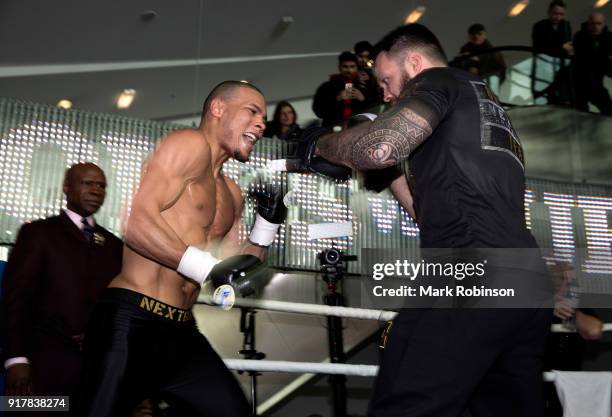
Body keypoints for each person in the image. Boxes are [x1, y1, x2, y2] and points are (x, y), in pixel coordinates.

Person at [295, 24, 552, 417]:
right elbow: (423, 210)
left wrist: (321, 145)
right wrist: (390, 170)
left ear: (414, 64)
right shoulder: (484, 105)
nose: (385, 93)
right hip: (525, 282)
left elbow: (379, 147)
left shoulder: (437, 81)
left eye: (387, 80)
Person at [75, 80, 287, 417]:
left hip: (182, 333)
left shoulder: (231, 192)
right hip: (132, 322)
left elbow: (231, 276)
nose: (262, 123)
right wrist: (208, 269)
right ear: (218, 108)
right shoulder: (188, 144)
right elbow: (137, 223)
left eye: (264, 116)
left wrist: (268, 223)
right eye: (252, 111)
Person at [0, 163, 123, 401]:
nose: (96, 191)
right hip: (38, 365)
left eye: (101, 186)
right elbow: (15, 301)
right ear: (67, 187)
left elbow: (116, 306)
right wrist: (15, 358)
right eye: (88, 183)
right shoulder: (37, 233)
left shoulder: (113, 245)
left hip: (92, 369)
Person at [312, 51, 377, 128]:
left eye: (352, 66)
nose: (348, 70)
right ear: (339, 67)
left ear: (357, 68)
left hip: (360, 128)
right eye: (345, 66)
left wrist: (363, 99)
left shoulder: (367, 86)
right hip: (333, 129)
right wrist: (337, 98)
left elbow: (376, 110)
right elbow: (318, 111)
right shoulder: (327, 87)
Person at [572, 12, 612, 115]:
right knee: (580, 114)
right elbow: (583, 60)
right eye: (593, 24)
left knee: (608, 111)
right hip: (580, 84)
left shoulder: (608, 38)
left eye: (599, 24)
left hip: (597, 83)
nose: (596, 27)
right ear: (588, 24)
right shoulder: (580, 36)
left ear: (603, 24)